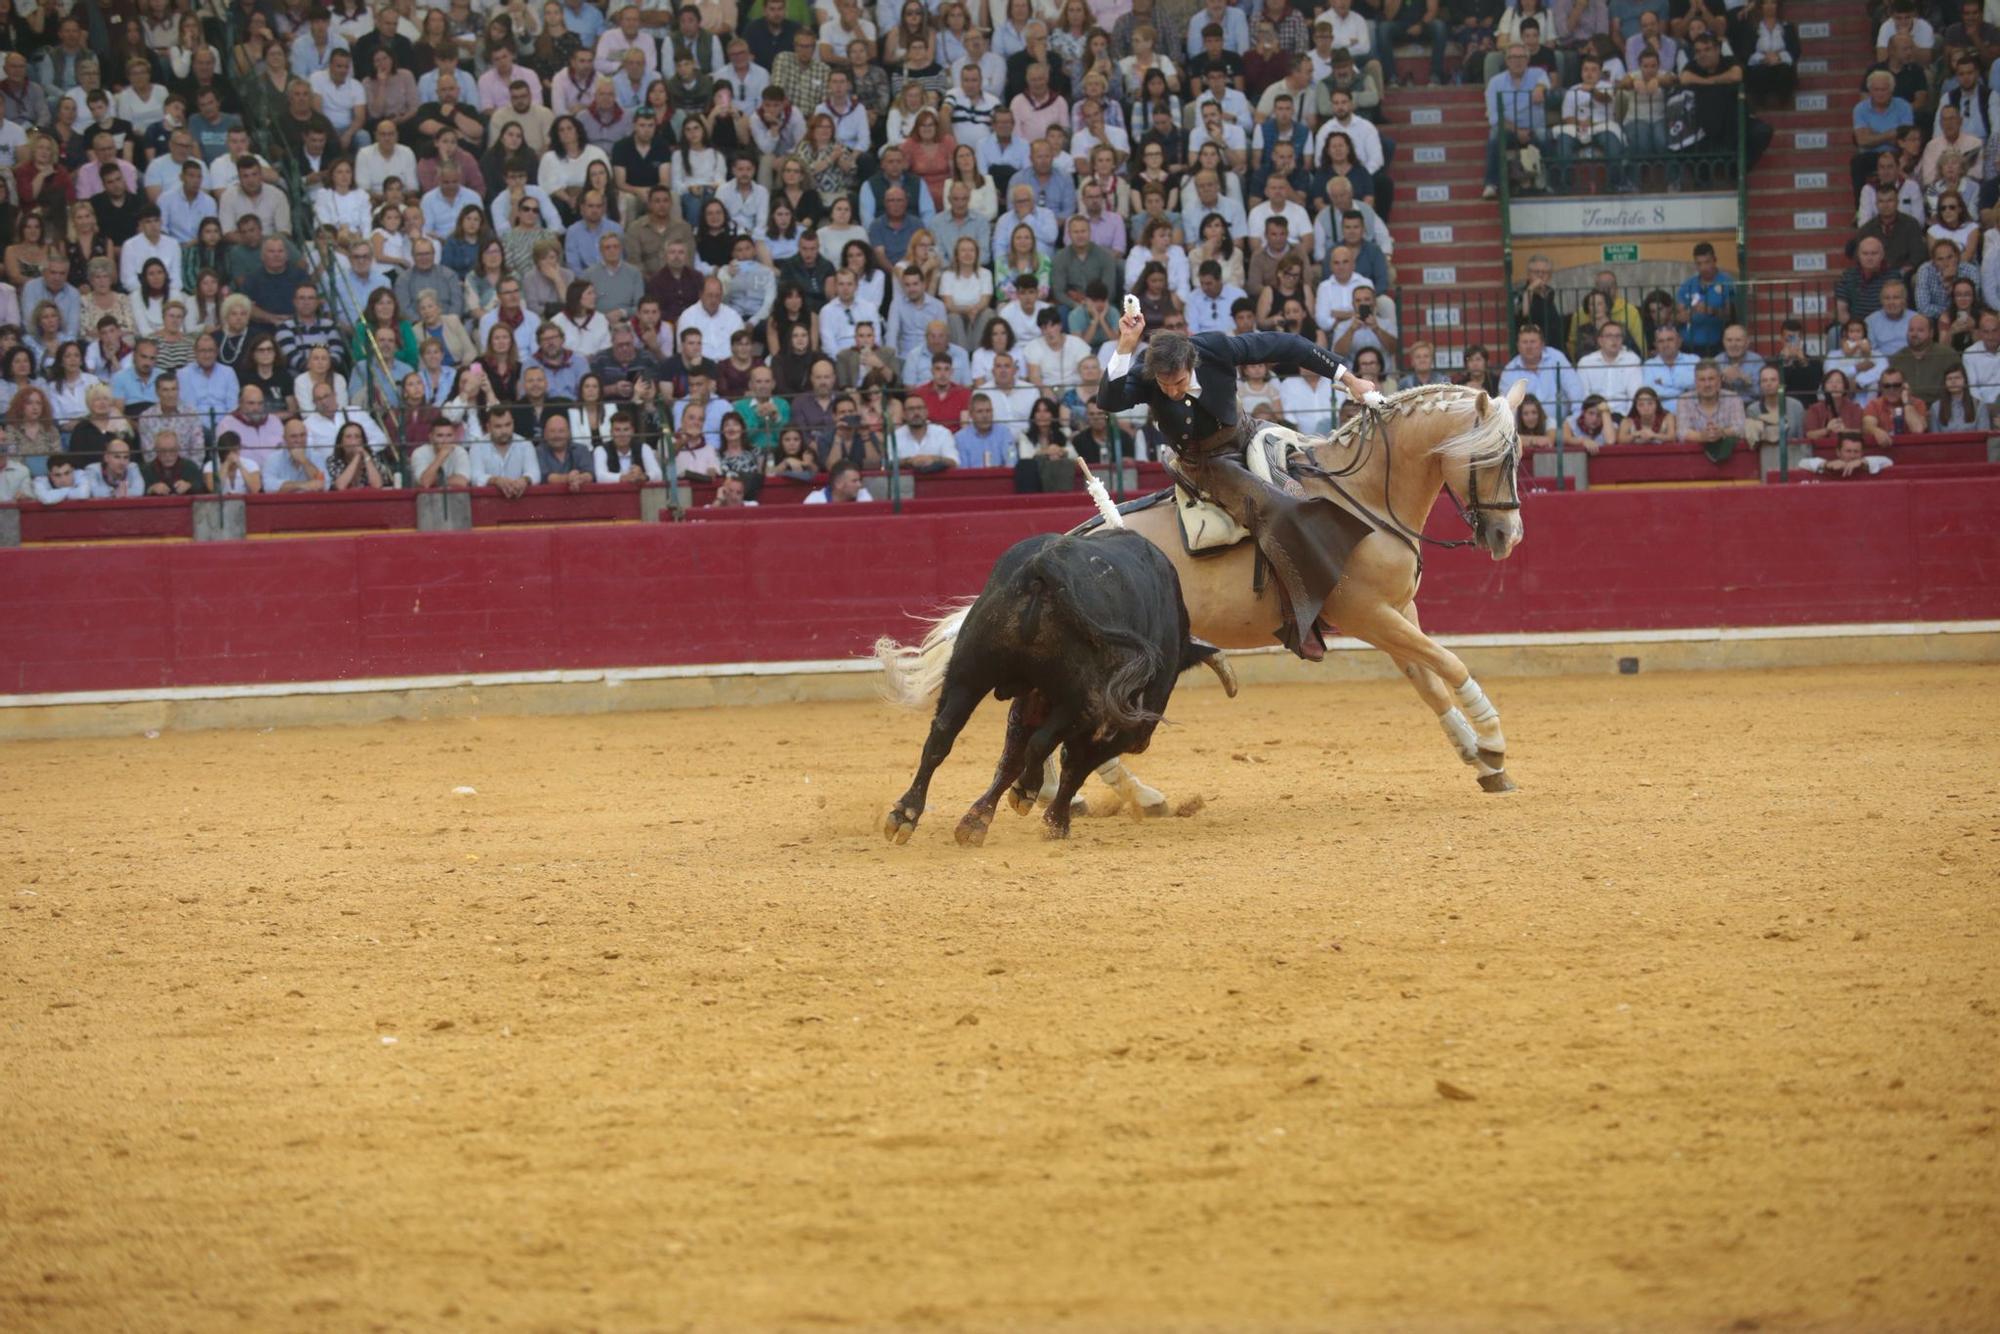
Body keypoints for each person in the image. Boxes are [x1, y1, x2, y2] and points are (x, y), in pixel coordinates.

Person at [1097, 307, 1379, 660]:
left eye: (1179, 383)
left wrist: (1348, 378)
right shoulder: (1147, 372)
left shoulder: (1215, 348)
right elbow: (1108, 400)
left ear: (1192, 363)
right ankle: (1298, 616)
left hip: (1249, 432)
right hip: (1207, 464)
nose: (1170, 391)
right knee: (1280, 509)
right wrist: (1125, 343)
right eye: (1165, 385)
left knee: (1317, 475)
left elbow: (1287, 345)